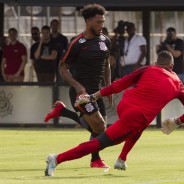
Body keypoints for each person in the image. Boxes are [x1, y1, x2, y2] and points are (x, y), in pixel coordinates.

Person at [44, 51, 184, 176]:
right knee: (98, 143)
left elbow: (121, 83)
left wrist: (93, 97)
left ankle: (122, 159)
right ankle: (56, 159)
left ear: (157, 63)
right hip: (135, 117)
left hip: (124, 105)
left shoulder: (148, 68)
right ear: (172, 65)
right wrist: (177, 121)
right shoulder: (178, 83)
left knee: (140, 124)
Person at [44, 3, 112, 169]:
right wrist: (77, 86)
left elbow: (107, 64)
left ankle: (63, 111)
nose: (101, 25)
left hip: (97, 93)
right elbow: (63, 68)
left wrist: (108, 88)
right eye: (98, 22)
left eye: (103, 22)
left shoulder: (105, 41)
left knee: (99, 129)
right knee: (100, 127)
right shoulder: (77, 43)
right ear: (88, 21)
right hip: (80, 94)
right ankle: (95, 160)